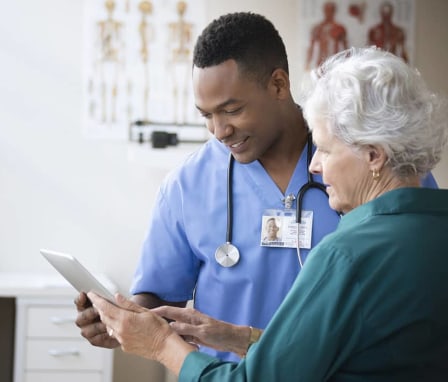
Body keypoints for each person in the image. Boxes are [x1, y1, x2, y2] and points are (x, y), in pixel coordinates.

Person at [75, 13, 437, 362]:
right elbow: (158, 297)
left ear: (278, 84)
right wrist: (120, 322)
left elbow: (422, 275)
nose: (219, 131)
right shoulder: (187, 185)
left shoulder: (370, 163)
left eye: (232, 110)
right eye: (207, 115)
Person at [305, 1, 348, 71]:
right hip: (320, 64)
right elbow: (311, 47)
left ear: (334, 12)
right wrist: (307, 63)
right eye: (327, 10)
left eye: (331, 10)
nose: (329, 13)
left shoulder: (339, 28)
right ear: (324, 11)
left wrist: (347, 62)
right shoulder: (317, 28)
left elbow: (346, 47)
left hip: (335, 63)